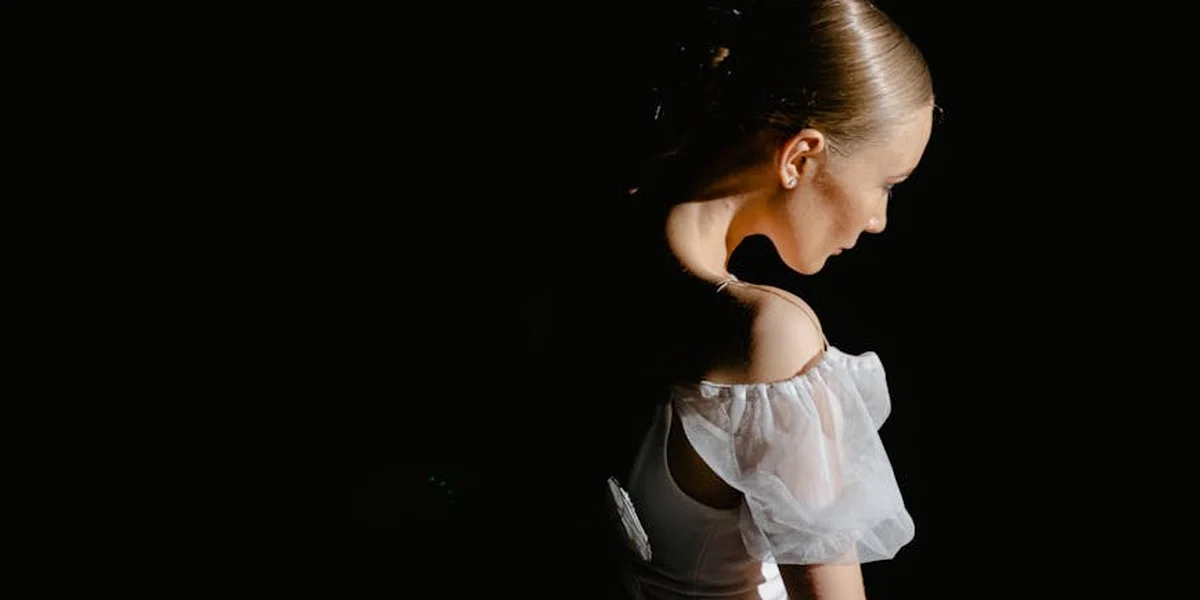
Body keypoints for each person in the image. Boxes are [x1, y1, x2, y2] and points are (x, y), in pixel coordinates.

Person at [580, 1, 937, 598]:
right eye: (886, 185)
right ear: (800, 156)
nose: (878, 221)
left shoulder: (604, 250)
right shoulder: (770, 336)